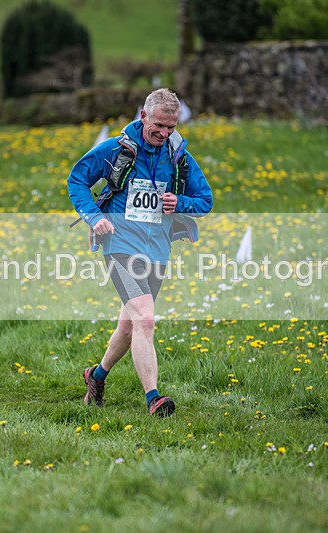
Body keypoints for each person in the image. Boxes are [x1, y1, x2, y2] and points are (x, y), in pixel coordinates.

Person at [67, 88, 213, 417]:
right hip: (119, 245)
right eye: (158, 125)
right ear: (143, 116)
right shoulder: (115, 150)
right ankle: (154, 399)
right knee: (145, 318)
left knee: (131, 326)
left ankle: (96, 376)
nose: (164, 133)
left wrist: (180, 202)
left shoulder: (179, 158)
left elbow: (205, 201)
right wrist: (95, 217)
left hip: (157, 249)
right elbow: (77, 180)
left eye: (171, 127)